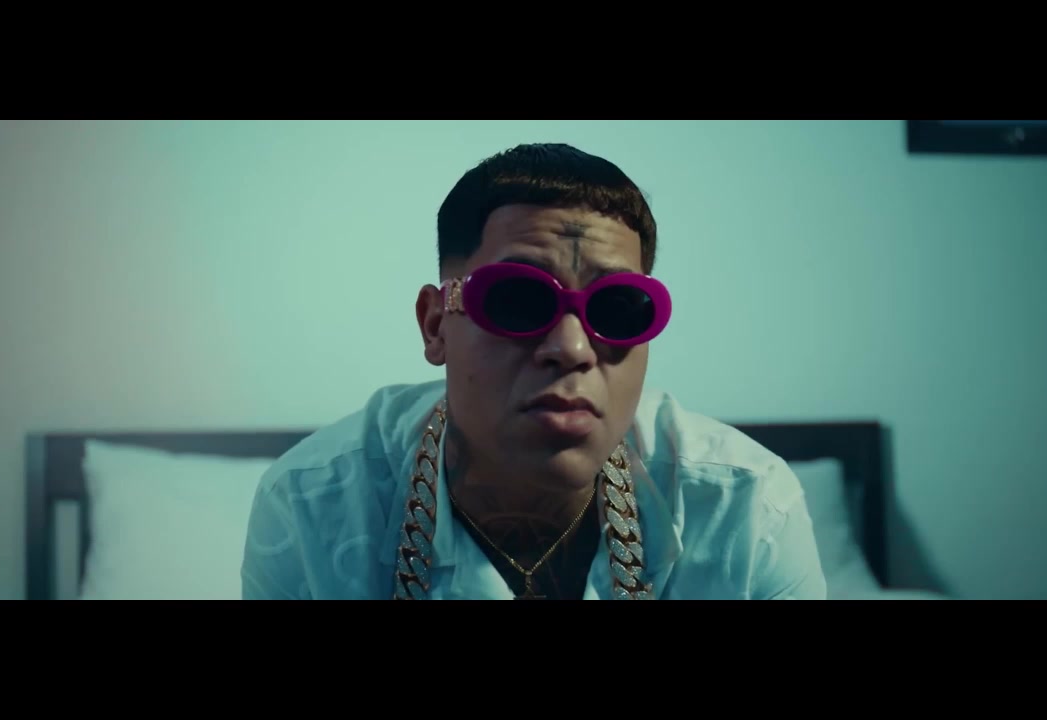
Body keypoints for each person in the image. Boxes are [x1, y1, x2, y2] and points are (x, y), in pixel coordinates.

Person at [241, 142, 826, 600]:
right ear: (435, 325)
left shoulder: (745, 511)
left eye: (618, 309)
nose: (571, 349)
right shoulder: (312, 509)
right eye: (517, 301)